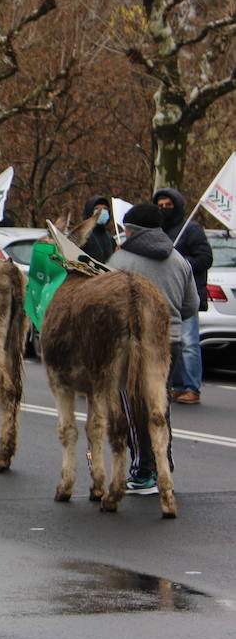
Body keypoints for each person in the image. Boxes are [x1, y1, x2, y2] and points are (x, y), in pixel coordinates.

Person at [107, 202, 199, 491]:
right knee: (160, 404)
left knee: (133, 405)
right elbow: (191, 306)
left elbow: (105, 304)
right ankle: (163, 466)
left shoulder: (119, 262)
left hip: (131, 342)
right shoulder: (178, 259)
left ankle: (142, 470)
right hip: (167, 341)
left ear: (132, 231)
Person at [153, 188, 212, 405]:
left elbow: (205, 258)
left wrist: (180, 265)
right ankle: (177, 385)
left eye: (168, 205)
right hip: (165, 295)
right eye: (160, 206)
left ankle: (192, 387)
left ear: (176, 206)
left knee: (189, 343)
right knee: (171, 342)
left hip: (186, 295)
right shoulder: (158, 231)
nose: (164, 209)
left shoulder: (191, 229)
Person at [80, 196, 116, 263]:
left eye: (105, 209)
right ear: (90, 212)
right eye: (97, 209)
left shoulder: (109, 237)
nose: (101, 212)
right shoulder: (82, 235)